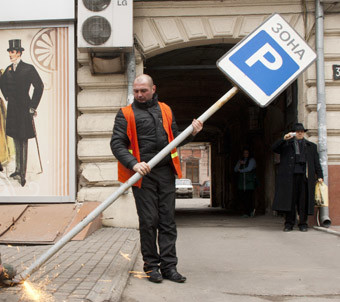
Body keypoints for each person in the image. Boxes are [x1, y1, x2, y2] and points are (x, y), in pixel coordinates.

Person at [110, 74, 203, 283]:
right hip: (142, 175)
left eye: (143, 90)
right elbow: (117, 144)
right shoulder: (125, 114)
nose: (139, 95)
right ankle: (151, 267)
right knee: (149, 221)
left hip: (165, 173)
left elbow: (175, 139)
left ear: (153, 89)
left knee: (167, 221)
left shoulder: (165, 110)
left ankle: (170, 267)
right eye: (136, 91)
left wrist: (192, 132)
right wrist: (134, 163)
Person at [0, 39, 44, 186]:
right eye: (9, 52)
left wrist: (32, 106)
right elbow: (2, 82)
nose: (10, 54)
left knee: (23, 139)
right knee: (14, 137)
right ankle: (17, 169)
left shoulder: (28, 68)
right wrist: (6, 95)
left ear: (19, 53)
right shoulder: (8, 69)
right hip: (12, 108)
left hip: (25, 108)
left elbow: (39, 86)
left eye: (12, 52)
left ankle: (23, 174)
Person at [272, 123, 323, 232]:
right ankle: (289, 224)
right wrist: (283, 139)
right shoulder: (286, 145)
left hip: (305, 177)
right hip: (290, 177)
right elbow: (274, 148)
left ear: (304, 133)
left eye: (301, 131)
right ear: (294, 133)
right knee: (290, 201)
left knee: (303, 201)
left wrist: (320, 176)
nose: (300, 133)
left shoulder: (311, 146)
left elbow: (316, 163)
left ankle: (303, 223)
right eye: (297, 131)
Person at [234, 148, 257, 217]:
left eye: (247, 153)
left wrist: (240, 170)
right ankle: (246, 212)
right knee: (243, 198)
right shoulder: (240, 160)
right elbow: (235, 169)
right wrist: (239, 164)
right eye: (244, 153)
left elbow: (249, 169)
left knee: (249, 197)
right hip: (242, 183)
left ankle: (250, 211)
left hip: (249, 182)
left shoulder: (252, 160)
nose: (245, 154)